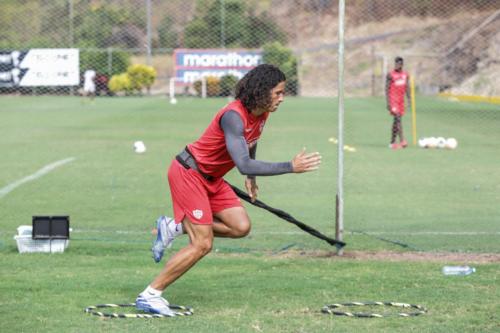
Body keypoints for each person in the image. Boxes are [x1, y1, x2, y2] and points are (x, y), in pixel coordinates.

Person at [135, 64, 322, 315]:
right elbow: (243, 163)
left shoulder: (262, 113)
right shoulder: (233, 116)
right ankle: (150, 294)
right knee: (202, 244)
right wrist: (290, 166)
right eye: (278, 93)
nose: (282, 98)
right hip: (189, 173)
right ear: (261, 91)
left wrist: (252, 177)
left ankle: (174, 227)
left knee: (240, 227)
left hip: (213, 179)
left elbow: (250, 143)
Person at [385, 56, 410, 149]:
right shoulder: (390, 75)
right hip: (393, 100)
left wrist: (409, 99)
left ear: (402, 65)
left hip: (400, 100)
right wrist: (388, 102)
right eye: (395, 63)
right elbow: (386, 89)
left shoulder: (405, 75)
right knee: (398, 118)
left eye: (399, 64)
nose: (397, 65)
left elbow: (407, 87)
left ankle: (392, 142)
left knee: (396, 121)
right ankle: (402, 140)